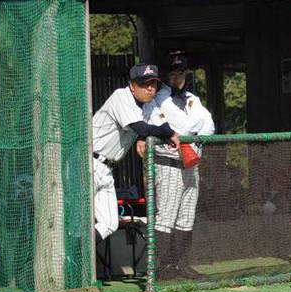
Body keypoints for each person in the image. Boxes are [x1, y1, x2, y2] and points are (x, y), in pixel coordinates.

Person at [91, 63, 177, 242]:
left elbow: (163, 126)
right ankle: (69, 257)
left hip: (106, 169)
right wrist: (163, 134)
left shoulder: (150, 104)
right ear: (132, 85)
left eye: (153, 83)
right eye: (144, 84)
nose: (150, 88)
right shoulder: (121, 96)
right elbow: (142, 128)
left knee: (109, 223)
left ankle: (80, 252)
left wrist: (149, 136)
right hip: (88, 162)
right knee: (78, 223)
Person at [151, 52, 215, 280]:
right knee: (166, 216)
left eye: (181, 72)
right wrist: (193, 129)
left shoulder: (192, 98)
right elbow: (185, 125)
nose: (177, 77)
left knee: (186, 215)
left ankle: (181, 265)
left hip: (190, 163)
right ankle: (160, 268)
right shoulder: (159, 98)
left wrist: (192, 132)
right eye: (173, 72)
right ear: (166, 75)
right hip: (168, 163)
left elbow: (209, 125)